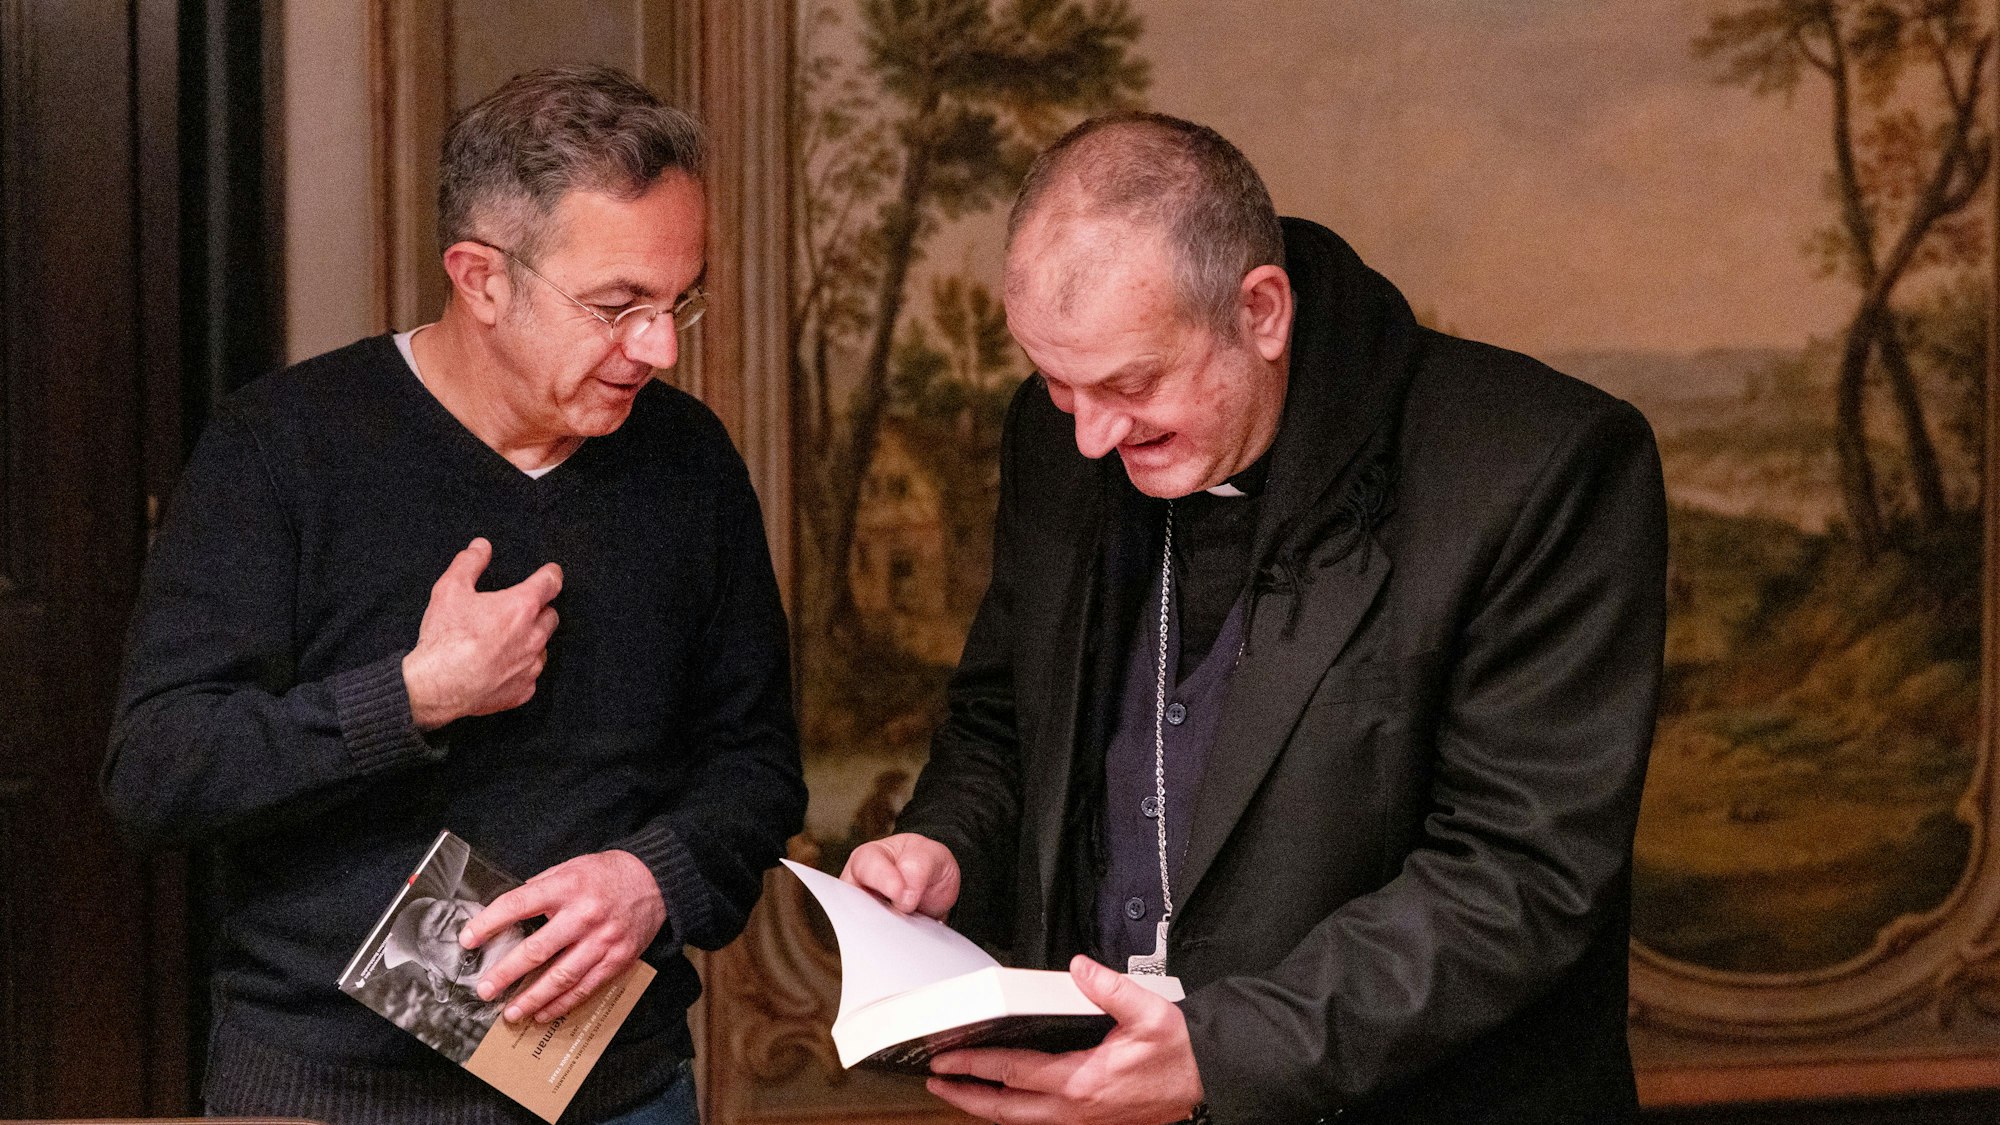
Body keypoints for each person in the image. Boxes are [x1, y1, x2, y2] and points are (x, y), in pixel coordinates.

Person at [843, 112, 1666, 1124]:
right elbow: (1001, 722)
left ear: (1261, 312)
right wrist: (947, 845)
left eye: (1130, 384)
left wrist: (1218, 1057)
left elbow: (1516, 876)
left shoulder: (1539, 467)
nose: (1090, 437)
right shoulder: (1054, 440)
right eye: (1056, 385)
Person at [103, 65, 803, 1125]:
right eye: (618, 307)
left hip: (617, 1091)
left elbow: (756, 765)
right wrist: (415, 695)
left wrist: (651, 878)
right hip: (324, 1093)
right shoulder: (280, 449)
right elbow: (156, 773)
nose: (657, 349)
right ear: (480, 279)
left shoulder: (689, 462)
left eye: (677, 304)